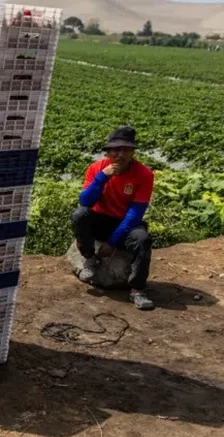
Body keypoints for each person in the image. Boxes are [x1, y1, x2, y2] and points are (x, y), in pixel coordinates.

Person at [71, 126, 155, 311]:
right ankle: (90, 259)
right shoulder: (96, 168)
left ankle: (138, 289)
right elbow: (85, 201)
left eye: (126, 150)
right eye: (116, 150)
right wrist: (103, 177)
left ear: (133, 152)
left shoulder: (144, 175)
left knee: (142, 240)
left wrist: (112, 242)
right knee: (79, 215)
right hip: (101, 219)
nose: (120, 155)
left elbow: (135, 214)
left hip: (125, 223)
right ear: (108, 152)